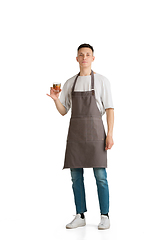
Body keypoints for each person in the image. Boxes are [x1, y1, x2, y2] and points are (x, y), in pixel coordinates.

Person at [46, 43, 114, 230]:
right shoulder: (70, 82)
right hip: (75, 135)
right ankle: (80, 215)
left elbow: (109, 109)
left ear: (93, 58)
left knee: (100, 176)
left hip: (96, 135)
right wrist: (56, 100)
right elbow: (63, 111)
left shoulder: (102, 81)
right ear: (77, 59)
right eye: (81, 55)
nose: (84, 57)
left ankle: (105, 215)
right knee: (76, 176)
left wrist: (110, 135)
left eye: (88, 54)